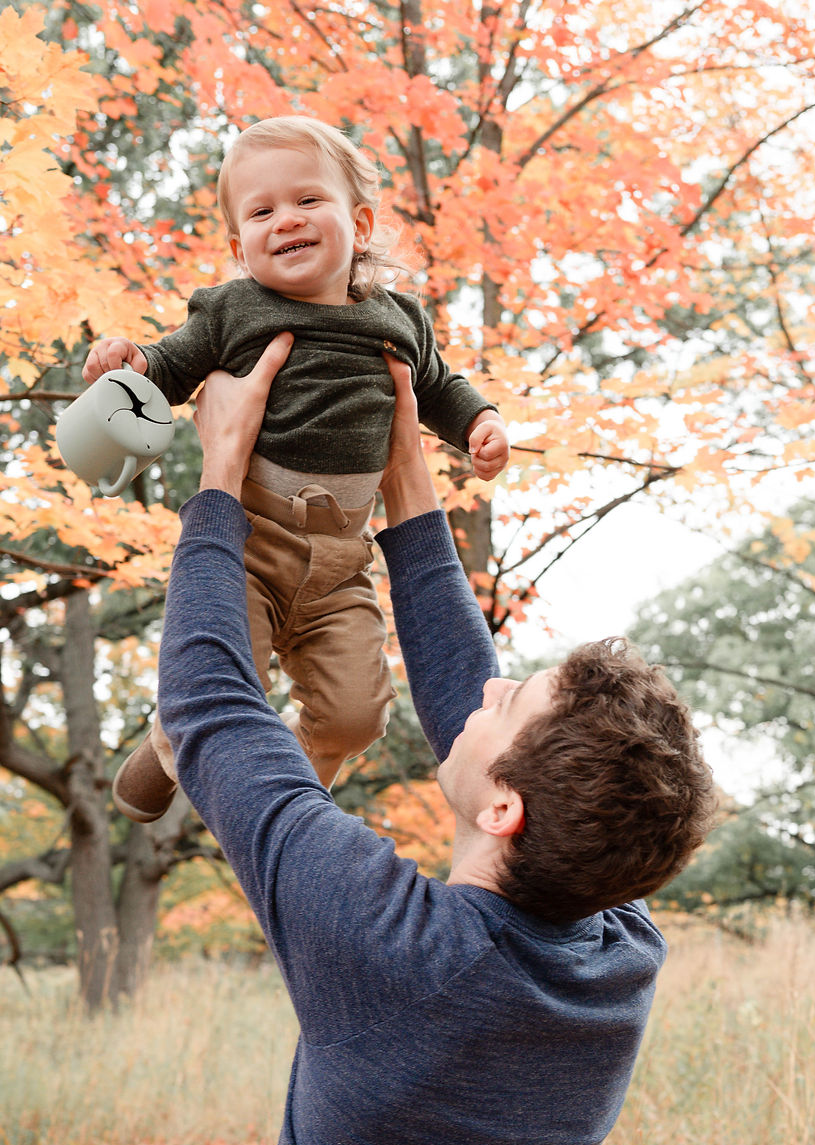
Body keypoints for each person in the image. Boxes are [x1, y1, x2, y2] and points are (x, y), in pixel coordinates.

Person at [161, 334, 716, 1145]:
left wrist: (219, 478)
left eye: (517, 703)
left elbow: (213, 713)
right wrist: (405, 483)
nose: (495, 685)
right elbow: (476, 706)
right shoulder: (613, 949)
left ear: (505, 809)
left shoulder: (394, 954)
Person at [84, 115, 508, 823]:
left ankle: (288, 805)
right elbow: (169, 368)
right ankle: (165, 747)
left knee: (358, 713)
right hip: (249, 542)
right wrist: (130, 364)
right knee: (222, 679)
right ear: (239, 246)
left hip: (343, 559)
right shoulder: (231, 310)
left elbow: (439, 386)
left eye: (308, 200)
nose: (287, 220)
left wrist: (480, 423)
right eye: (262, 210)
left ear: (360, 222)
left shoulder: (400, 319)